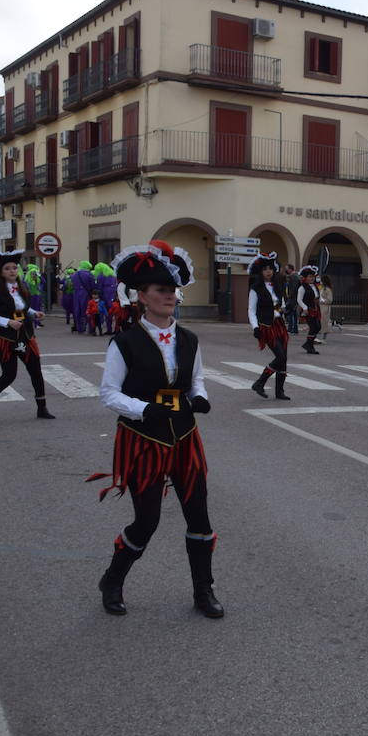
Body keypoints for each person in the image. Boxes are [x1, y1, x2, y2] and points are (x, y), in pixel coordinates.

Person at [89, 243, 221, 619]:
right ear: (142, 296)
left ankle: (203, 590)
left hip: (184, 437)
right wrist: (146, 409)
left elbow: (196, 382)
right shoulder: (125, 343)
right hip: (143, 439)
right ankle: (112, 580)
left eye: (173, 290)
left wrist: (200, 397)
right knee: (147, 521)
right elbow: (109, 394)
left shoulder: (190, 340)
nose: (170, 296)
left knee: (199, 517)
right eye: (161, 290)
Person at [0, 250, 55, 423]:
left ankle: (42, 407)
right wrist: (7, 322)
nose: (12, 271)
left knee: (36, 371)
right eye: (7, 268)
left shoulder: (21, 288)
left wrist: (34, 314)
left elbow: (23, 309)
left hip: (25, 335)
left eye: (14, 268)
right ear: (1, 273)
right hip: (5, 339)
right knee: (9, 375)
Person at [245, 251, 291, 400]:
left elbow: (278, 306)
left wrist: (284, 310)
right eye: (265, 269)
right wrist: (255, 328)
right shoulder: (255, 289)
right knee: (280, 356)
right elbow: (251, 310)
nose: (268, 272)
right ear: (261, 271)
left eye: (270, 269)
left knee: (283, 358)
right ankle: (260, 382)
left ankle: (279, 391)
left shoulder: (277, 286)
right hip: (266, 326)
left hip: (280, 325)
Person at [296, 265, 322, 354]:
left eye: (313, 277)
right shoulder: (302, 287)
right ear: (305, 278)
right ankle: (310, 346)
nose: (312, 278)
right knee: (313, 327)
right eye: (310, 277)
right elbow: (299, 300)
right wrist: (304, 307)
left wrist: (321, 300)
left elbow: (317, 296)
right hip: (308, 310)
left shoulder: (315, 286)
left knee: (318, 326)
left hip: (316, 308)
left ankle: (308, 344)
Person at [317, 274, 334, 341]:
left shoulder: (328, 289)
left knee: (324, 321)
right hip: (319, 306)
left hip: (324, 307)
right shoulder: (321, 288)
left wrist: (323, 301)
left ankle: (324, 335)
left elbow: (330, 300)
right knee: (319, 321)